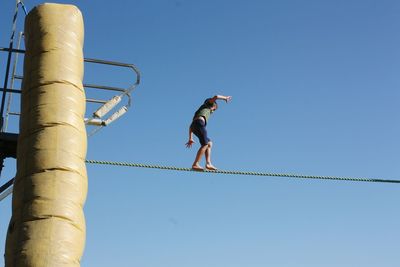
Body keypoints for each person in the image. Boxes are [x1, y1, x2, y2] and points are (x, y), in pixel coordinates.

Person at [186, 95, 232, 171]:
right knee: (205, 144)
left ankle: (208, 163)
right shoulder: (208, 104)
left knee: (209, 143)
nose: (213, 111)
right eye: (214, 109)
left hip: (196, 125)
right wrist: (225, 98)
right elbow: (216, 96)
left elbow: (191, 126)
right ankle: (195, 164)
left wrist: (190, 138)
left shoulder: (199, 112)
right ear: (212, 104)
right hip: (199, 124)